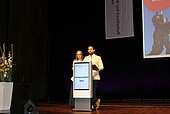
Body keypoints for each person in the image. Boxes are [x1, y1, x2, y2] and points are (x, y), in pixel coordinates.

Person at [83, 45, 104, 110]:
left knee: (93, 92)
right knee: (89, 92)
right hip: (87, 78)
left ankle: (94, 101)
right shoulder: (86, 58)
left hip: (95, 77)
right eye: (88, 49)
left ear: (94, 50)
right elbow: (83, 65)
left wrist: (97, 68)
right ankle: (94, 102)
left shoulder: (98, 57)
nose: (90, 50)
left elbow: (102, 67)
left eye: (91, 49)